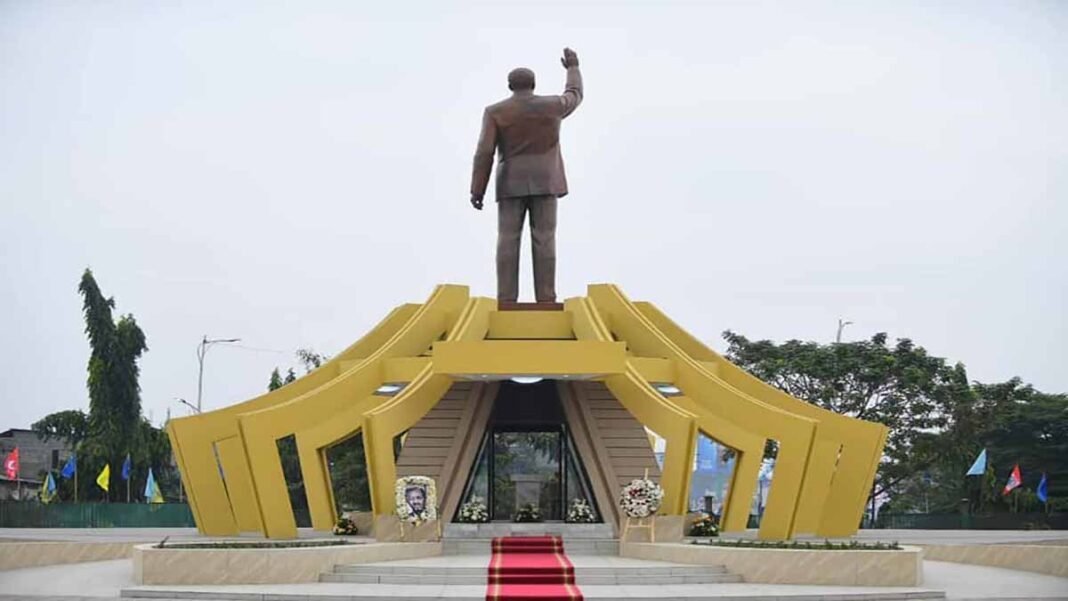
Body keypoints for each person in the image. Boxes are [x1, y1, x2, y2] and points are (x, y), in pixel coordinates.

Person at [470, 47, 583, 304]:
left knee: (507, 239)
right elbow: (574, 95)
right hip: (546, 180)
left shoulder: (495, 112)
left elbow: (484, 152)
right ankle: (546, 299)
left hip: (510, 182)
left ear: (509, 86)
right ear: (534, 84)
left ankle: (506, 299)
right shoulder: (552, 106)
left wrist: (478, 188)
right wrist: (573, 68)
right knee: (545, 239)